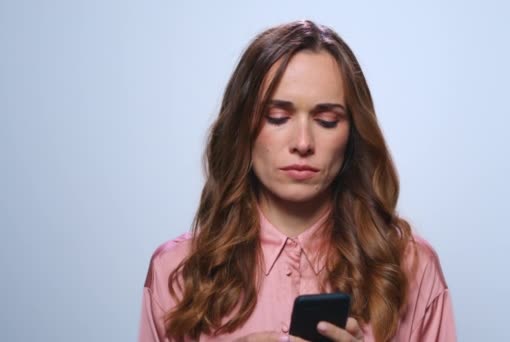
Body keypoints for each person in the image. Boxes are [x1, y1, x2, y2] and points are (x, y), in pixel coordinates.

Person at [138, 20, 456, 342]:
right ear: (242, 127)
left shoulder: (411, 267)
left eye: (326, 121)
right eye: (277, 117)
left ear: (352, 134)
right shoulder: (175, 271)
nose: (303, 142)